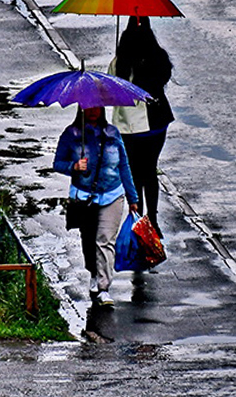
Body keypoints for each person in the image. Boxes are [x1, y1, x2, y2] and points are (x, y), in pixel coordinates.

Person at [53, 106, 140, 306]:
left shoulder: (112, 133)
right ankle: (93, 271)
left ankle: (104, 288)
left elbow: (123, 166)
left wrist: (132, 197)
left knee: (105, 241)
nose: (93, 111)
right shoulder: (72, 134)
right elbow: (57, 163)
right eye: (88, 108)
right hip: (85, 198)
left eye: (96, 107)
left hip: (112, 195)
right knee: (89, 240)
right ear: (81, 110)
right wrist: (73, 167)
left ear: (102, 109)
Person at [108, 15, 174, 238]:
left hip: (127, 128)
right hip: (155, 124)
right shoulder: (157, 58)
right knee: (149, 170)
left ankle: (139, 218)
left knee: (135, 172)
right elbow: (162, 81)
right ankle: (153, 220)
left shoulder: (119, 63)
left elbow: (110, 92)